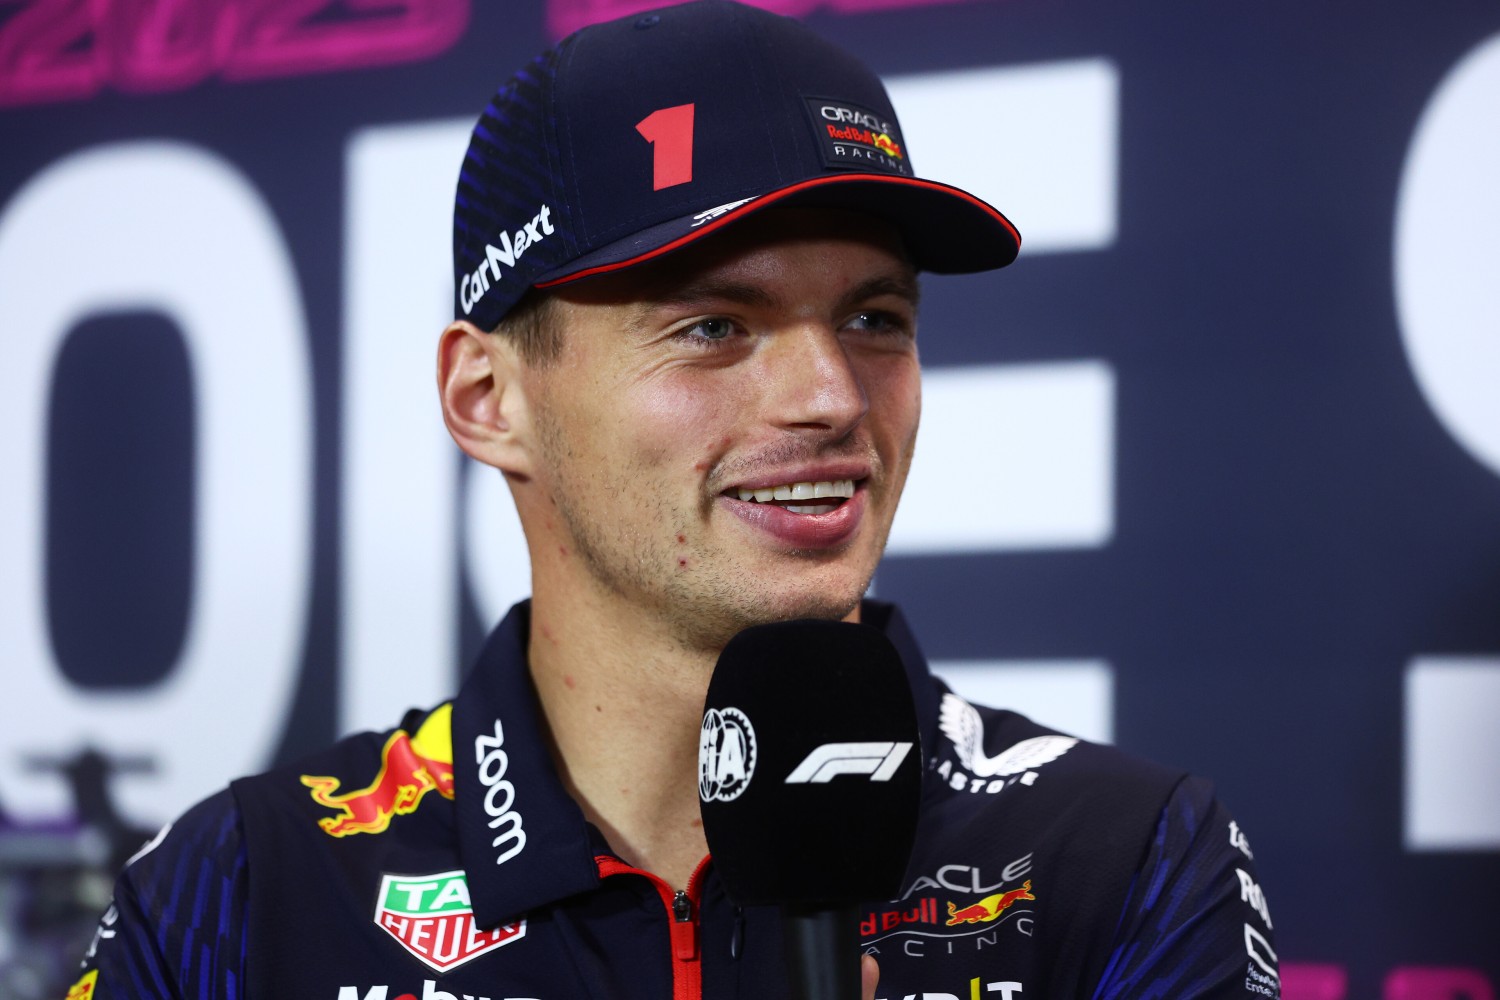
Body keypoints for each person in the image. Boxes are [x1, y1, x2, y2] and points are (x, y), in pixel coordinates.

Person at [72, 2, 1278, 998]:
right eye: (713, 326)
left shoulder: (1121, 860)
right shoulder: (246, 891)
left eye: (876, 318)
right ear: (489, 397)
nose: (828, 395)